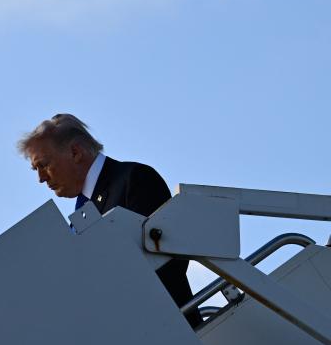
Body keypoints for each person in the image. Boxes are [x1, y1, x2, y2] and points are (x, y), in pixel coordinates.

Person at [17, 113, 202, 328]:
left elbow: (168, 263)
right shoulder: (83, 210)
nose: (41, 178)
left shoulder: (135, 179)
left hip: (168, 332)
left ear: (75, 152)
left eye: (44, 165)